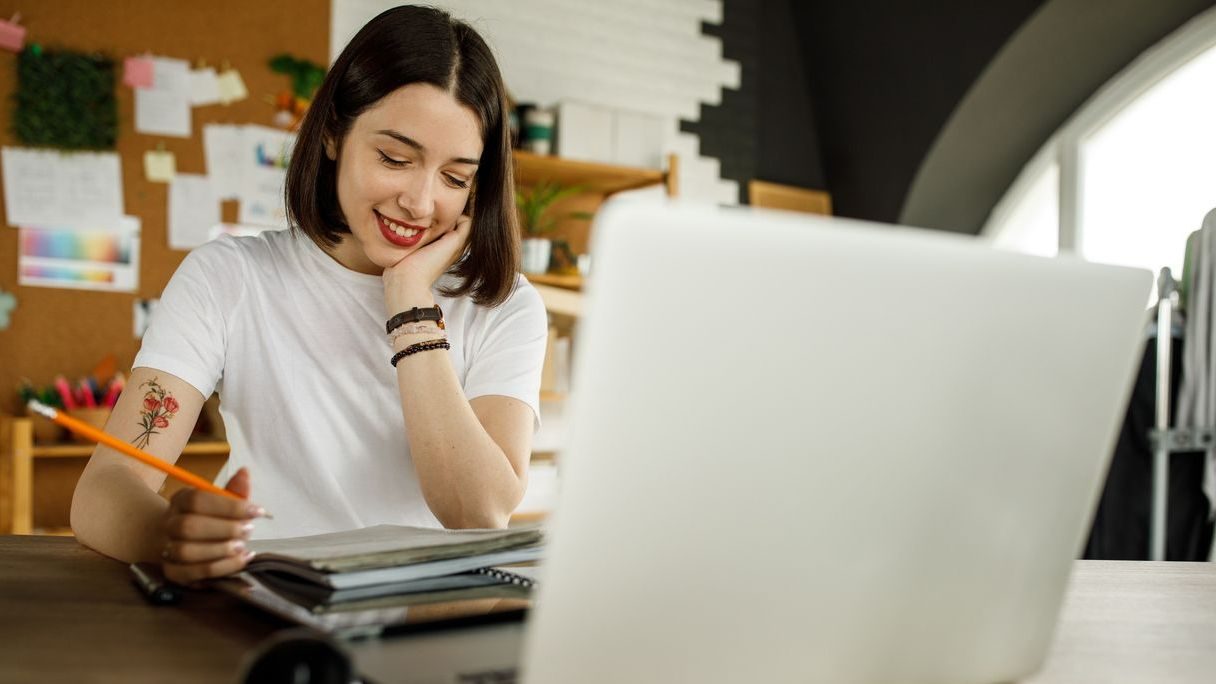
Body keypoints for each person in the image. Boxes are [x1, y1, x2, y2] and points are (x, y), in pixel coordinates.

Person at [71, 5, 547, 585]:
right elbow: (104, 488)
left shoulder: (504, 304)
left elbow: (478, 514)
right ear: (332, 136)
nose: (421, 204)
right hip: (261, 597)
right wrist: (167, 534)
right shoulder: (230, 276)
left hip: (423, 615)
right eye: (395, 158)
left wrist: (410, 306)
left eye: (454, 178)